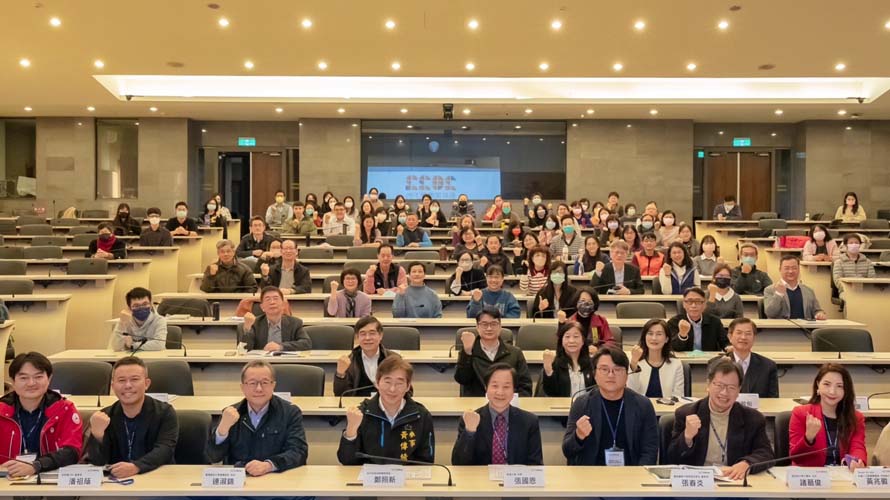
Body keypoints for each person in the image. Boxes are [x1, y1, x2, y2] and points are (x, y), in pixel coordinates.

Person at [666, 358, 774, 479]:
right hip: (698, 481)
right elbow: (671, 458)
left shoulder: (752, 418)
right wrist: (687, 437)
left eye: (731, 387)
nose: (724, 392)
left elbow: (766, 453)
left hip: (733, 480)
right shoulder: (687, 413)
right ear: (708, 385)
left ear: (739, 390)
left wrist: (747, 463)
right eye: (719, 385)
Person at [562, 346, 659, 466]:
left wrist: (638, 474)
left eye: (617, 370)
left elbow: (650, 451)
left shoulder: (643, 405)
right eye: (604, 369)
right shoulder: (582, 404)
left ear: (626, 375)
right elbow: (567, 451)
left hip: (631, 473)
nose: (611, 375)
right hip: (592, 473)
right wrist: (578, 435)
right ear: (595, 374)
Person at [208, 360, 309, 475]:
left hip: (276, 478)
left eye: (265, 382)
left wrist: (268, 465)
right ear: (242, 387)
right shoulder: (230, 413)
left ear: (273, 385)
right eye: (252, 383)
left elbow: (298, 451)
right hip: (240, 479)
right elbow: (213, 457)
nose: (259, 389)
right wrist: (222, 430)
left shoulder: (290, 413)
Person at [84, 356, 178, 478]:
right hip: (117, 481)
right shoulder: (104, 416)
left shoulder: (165, 413)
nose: (128, 385)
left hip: (157, 477)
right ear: (113, 386)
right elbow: (97, 462)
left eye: (134, 379)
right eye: (121, 380)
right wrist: (98, 436)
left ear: (146, 384)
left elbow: (164, 450)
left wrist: (136, 467)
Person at [338, 357, 435, 464]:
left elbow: (426, 460)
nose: (392, 389)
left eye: (399, 383)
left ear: (408, 386)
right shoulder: (361, 413)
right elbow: (347, 461)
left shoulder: (421, 415)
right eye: (387, 382)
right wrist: (351, 430)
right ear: (377, 383)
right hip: (370, 473)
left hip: (407, 474)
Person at [0, 352, 82, 477]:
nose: (31, 383)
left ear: (49, 379)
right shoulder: (2, 411)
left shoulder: (64, 409)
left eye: (38, 377)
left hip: (49, 479)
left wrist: (37, 465)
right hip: (6, 479)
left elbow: (72, 452)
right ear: (13, 381)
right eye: (23, 378)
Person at [452, 363, 543, 465]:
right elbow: (458, 463)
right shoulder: (471, 419)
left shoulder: (529, 422)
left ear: (514, 390)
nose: (500, 392)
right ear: (486, 388)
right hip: (482, 475)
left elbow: (536, 464)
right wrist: (469, 432)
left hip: (515, 475)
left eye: (506, 387)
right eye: (495, 386)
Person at [789, 363, 867, 469]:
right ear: (818, 385)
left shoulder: (856, 417)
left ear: (846, 390)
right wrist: (808, 438)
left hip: (842, 475)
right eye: (827, 384)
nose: (832, 391)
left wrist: (858, 461)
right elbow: (796, 458)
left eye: (839, 386)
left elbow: (857, 447)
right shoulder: (801, 413)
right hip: (812, 474)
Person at [455, 307, 533, 396]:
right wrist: (467, 353)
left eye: (493, 324)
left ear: (500, 327)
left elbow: (525, 387)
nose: (489, 328)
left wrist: (511, 401)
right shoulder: (468, 352)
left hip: (507, 401)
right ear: (477, 327)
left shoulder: (515, 353)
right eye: (484, 324)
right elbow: (462, 379)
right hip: (477, 402)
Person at [709, 318, 779, 397]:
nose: (743, 337)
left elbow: (773, 399)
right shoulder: (716, 364)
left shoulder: (768, 366)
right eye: (739, 333)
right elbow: (712, 397)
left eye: (748, 333)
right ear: (730, 337)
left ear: (754, 338)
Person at [334, 316, 400, 397]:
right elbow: (341, 395)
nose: (367, 338)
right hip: (358, 403)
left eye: (372, 333)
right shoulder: (349, 361)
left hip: (387, 402)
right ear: (357, 337)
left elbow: (408, 391)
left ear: (380, 335)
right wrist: (340, 374)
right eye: (363, 334)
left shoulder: (394, 359)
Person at [627, 319, 684, 399]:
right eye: (650, 334)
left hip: (667, 406)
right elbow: (630, 393)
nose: (654, 338)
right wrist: (634, 363)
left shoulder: (676, 364)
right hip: (639, 406)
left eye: (659, 334)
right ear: (644, 337)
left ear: (666, 339)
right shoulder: (634, 361)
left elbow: (678, 397)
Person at [241, 287, 311, 352]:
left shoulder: (295, 323)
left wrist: (281, 347)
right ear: (262, 307)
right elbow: (244, 349)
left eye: (276, 298)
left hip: (285, 360)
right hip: (261, 360)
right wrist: (247, 329)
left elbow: (306, 343)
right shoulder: (255, 323)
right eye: (268, 299)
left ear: (283, 304)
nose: (272, 302)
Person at [764, 255, 828, 320]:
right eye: (786, 268)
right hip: (781, 326)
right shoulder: (770, 290)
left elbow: (817, 310)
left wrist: (820, 314)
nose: (790, 271)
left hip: (805, 326)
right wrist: (778, 294)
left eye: (794, 268)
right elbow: (770, 313)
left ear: (799, 270)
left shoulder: (808, 290)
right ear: (780, 270)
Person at [541, 321, 596, 397]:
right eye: (567, 337)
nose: (571, 341)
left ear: (583, 341)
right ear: (561, 341)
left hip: (587, 404)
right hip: (562, 404)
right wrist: (548, 370)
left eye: (576, 336)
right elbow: (550, 393)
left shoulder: (592, 364)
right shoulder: (555, 364)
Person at [669, 287, 729, 352]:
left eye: (698, 302)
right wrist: (682, 334)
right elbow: (674, 348)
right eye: (689, 301)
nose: (693, 305)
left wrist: (728, 347)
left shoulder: (714, 322)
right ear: (684, 304)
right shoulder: (674, 322)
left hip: (709, 358)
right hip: (683, 358)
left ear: (704, 304)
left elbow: (725, 342)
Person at [112, 287, 168, 352]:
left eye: (145, 304)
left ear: (151, 304)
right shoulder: (125, 320)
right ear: (129, 307)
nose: (141, 308)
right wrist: (122, 324)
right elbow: (116, 347)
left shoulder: (160, 320)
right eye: (136, 305)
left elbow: (159, 344)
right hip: (131, 357)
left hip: (154, 357)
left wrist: (132, 345)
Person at [833, 232, 876, 301]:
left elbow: (872, 279)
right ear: (846, 245)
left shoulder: (867, 262)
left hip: (865, 292)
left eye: (856, 243)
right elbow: (837, 280)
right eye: (851, 243)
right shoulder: (839, 262)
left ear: (860, 245)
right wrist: (850, 290)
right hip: (846, 292)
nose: (854, 245)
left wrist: (864, 290)